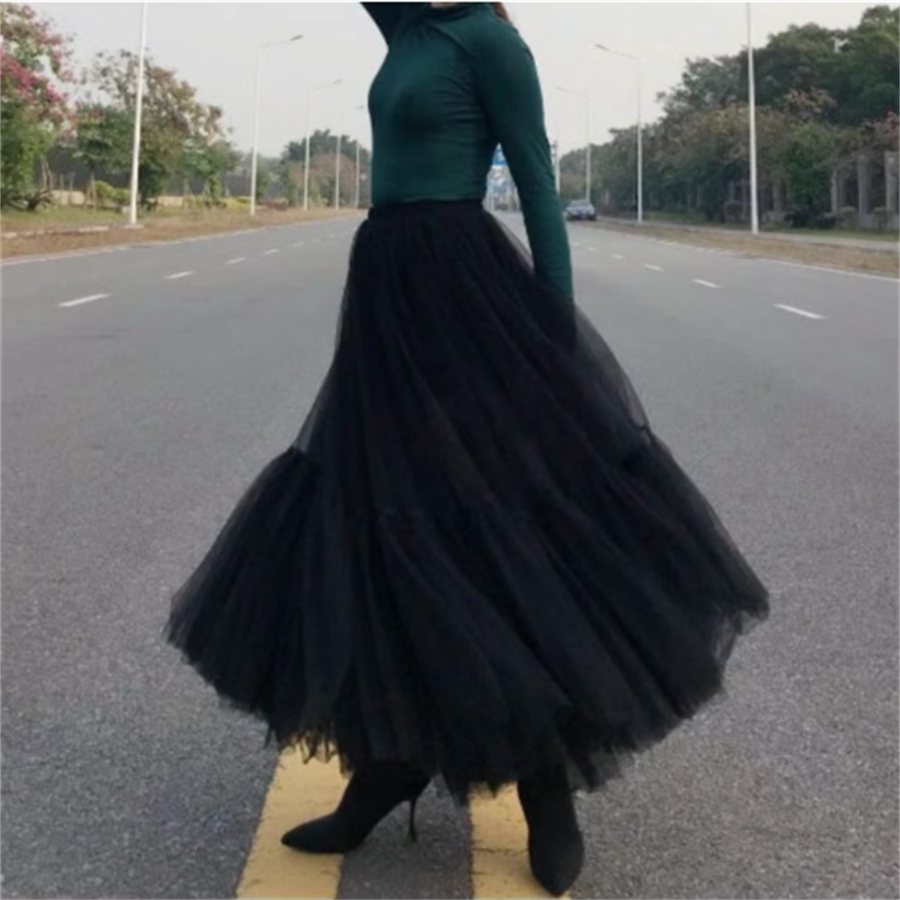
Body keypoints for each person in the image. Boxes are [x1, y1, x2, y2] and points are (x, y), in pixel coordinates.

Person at [166, 3, 769, 895]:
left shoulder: (489, 39)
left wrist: (552, 329)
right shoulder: (406, 28)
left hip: (463, 290)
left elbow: (535, 180)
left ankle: (545, 786)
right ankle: (390, 761)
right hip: (385, 291)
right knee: (381, 512)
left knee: (494, 512)